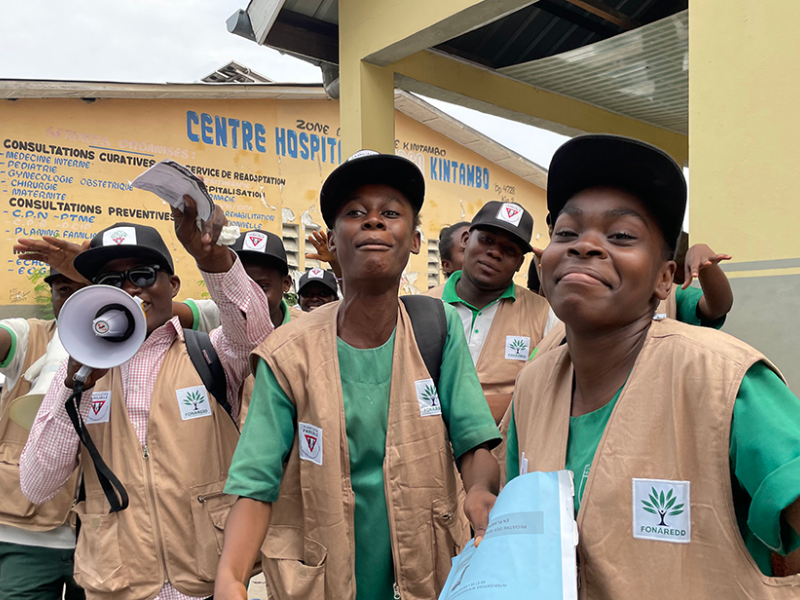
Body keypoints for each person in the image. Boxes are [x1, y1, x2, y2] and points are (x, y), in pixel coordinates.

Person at [506, 135, 800, 596]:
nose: (585, 246)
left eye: (621, 235)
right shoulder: (533, 384)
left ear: (664, 279)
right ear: (544, 266)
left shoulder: (725, 382)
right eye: (566, 233)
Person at [214, 151, 501, 600]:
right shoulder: (287, 355)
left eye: (390, 213)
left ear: (415, 241)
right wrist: (231, 578)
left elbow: (473, 440)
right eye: (354, 213)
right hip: (323, 579)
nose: (373, 222)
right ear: (331, 240)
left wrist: (481, 492)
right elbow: (255, 483)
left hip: (429, 574)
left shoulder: (438, 330)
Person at [20, 201, 274, 600]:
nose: (129, 288)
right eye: (111, 280)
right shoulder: (79, 373)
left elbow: (257, 333)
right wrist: (74, 387)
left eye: (142, 274)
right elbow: (37, 485)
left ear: (172, 286)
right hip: (118, 586)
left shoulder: (209, 353)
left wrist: (215, 259)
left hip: (207, 583)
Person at [0, 267, 85, 600]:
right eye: (63, 291)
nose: (73, 302)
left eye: (86, 291)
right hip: (23, 538)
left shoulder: (132, 347)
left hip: (104, 538)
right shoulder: (27, 336)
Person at [425, 202, 550, 424]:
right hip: (430, 455)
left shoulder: (545, 316)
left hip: (503, 457)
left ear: (520, 263)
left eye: (509, 250)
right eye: (486, 240)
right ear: (466, 240)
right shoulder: (420, 307)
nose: (494, 253)